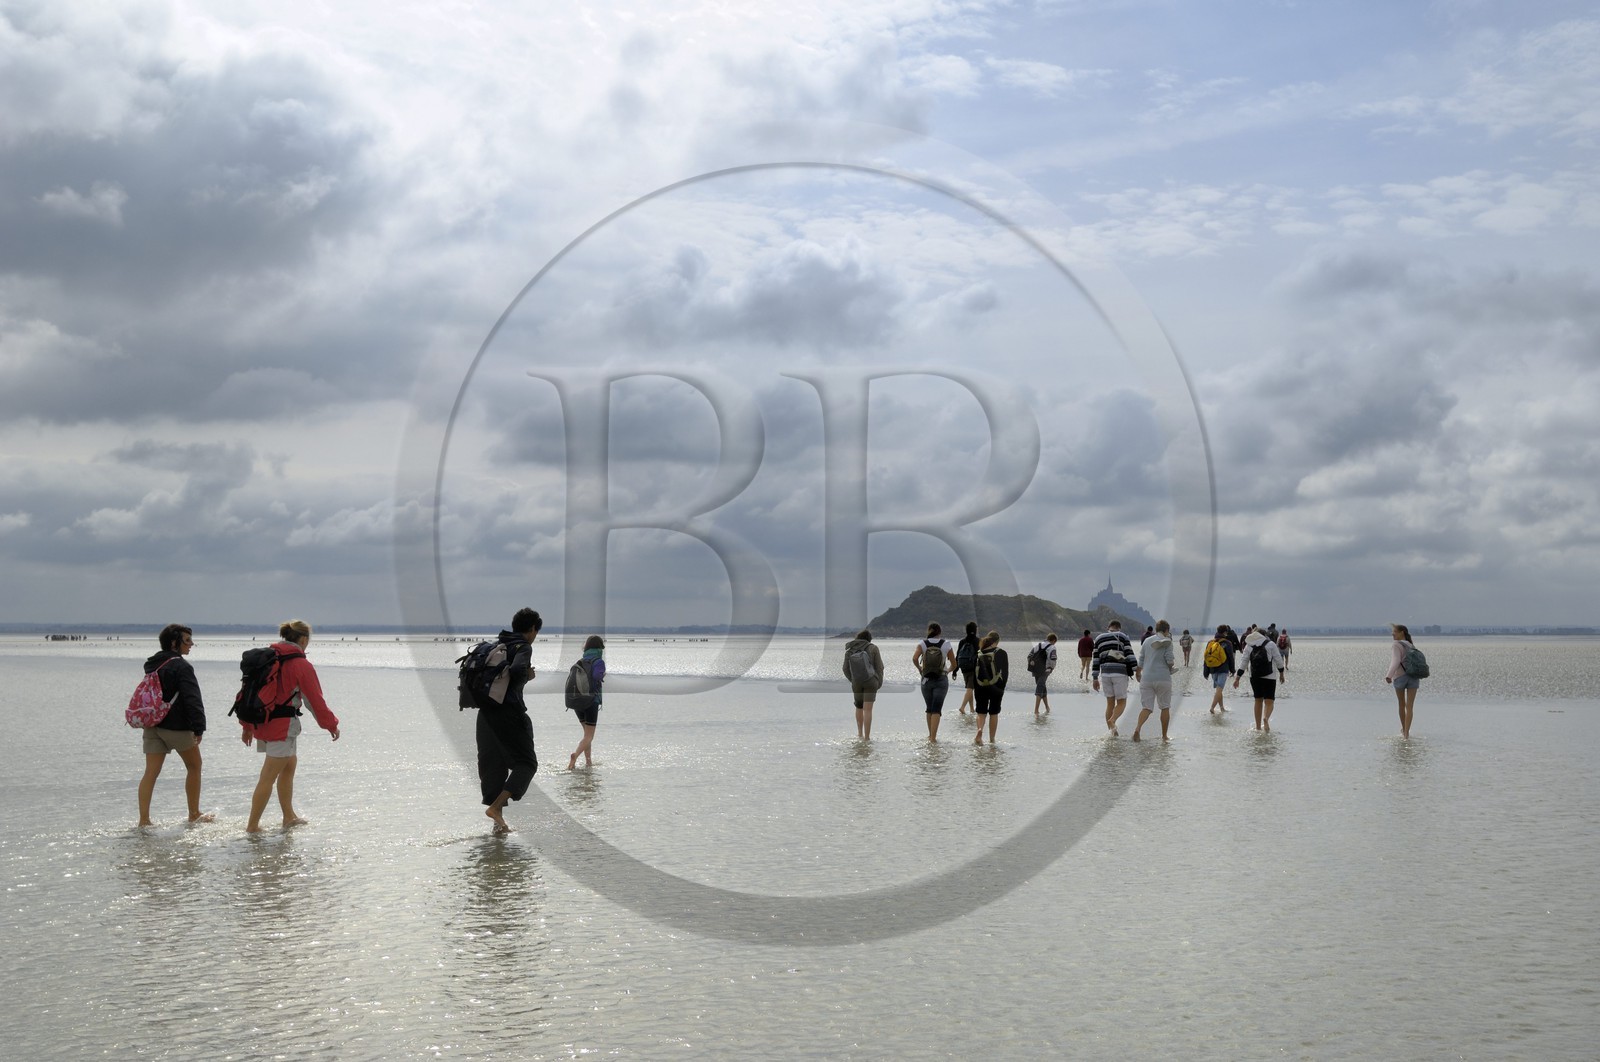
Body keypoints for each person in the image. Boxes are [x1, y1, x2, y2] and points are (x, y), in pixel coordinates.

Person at [240, 619, 341, 833]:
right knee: (268, 777)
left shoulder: (267, 658)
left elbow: (246, 694)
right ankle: (252, 826)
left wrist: (247, 726)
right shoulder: (300, 664)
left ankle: (288, 816)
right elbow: (314, 700)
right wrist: (330, 724)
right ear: (304, 639)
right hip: (282, 727)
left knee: (288, 767)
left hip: (263, 723)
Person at [136, 624, 214, 826]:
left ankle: (144, 819)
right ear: (174, 642)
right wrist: (199, 727)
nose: (191, 644)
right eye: (187, 640)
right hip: (176, 726)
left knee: (150, 772)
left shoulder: (152, 664)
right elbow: (192, 698)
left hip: (152, 724)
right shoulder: (182, 666)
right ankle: (194, 813)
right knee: (194, 766)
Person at [474, 608, 541, 833]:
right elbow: (519, 669)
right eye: (535, 631)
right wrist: (527, 676)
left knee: (495, 767)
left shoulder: (496, 647)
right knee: (527, 763)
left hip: (485, 714)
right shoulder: (523, 646)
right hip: (508, 714)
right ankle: (495, 808)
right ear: (532, 629)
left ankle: (498, 827)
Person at [1234, 622, 1287, 731]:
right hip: (1270, 676)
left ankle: (1258, 727)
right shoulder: (1271, 644)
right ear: (1264, 635)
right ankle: (1266, 718)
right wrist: (1281, 673)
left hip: (1254, 676)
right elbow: (1278, 660)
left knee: (1258, 700)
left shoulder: (1249, 646)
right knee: (1269, 701)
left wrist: (1237, 678)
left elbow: (1243, 663)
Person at [911, 622, 958, 741]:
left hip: (926, 680)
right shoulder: (946, 644)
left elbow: (915, 658)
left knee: (929, 708)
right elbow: (954, 664)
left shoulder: (922, 644)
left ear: (929, 631)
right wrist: (947, 671)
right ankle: (933, 737)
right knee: (937, 709)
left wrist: (920, 669)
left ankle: (930, 735)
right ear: (939, 632)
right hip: (941, 680)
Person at [1132, 620, 1177, 742]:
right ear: (1166, 630)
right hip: (1163, 678)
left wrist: (1138, 672)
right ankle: (1164, 736)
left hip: (1147, 678)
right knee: (1165, 707)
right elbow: (1170, 661)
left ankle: (1137, 729)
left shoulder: (1146, 641)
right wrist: (1171, 668)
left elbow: (1141, 659)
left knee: (1146, 708)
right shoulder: (1168, 642)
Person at [566, 635, 606, 770]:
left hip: (577, 702)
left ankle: (588, 762)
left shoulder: (581, 660)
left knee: (586, 735)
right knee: (589, 736)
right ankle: (575, 755)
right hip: (591, 701)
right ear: (600, 647)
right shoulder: (598, 661)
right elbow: (597, 676)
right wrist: (602, 675)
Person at [1092, 621, 1138, 736]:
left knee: (1110, 704)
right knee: (1122, 702)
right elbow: (1129, 654)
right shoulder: (1122, 636)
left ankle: (1112, 732)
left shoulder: (1098, 638)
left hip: (1105, 674)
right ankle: (1112, 721)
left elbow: (1096, 659)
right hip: (1119, 673)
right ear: (1119, 628)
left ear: (1108, 628)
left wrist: (1094, 677)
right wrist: (1136, 670)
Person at [842, 629, 885, 740]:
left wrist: (853, 679)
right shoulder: (873, 648)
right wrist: (878, 681)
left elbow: (845, 668)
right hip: (871, 681)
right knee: (868, 710)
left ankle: (860, 733)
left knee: (859, 707)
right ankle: (867, 737)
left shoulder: (849, 650)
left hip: (856, 682)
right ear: (869, 639)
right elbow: (879, 667)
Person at [972, 630, 1008, 745]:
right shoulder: (1001, 653)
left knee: (981, 712)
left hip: (980, 686)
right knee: (993, 713)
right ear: (997, 641)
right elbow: (1005, 673)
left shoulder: (979, 652)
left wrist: (975, 687)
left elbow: (975, 672)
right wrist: (1002, 688)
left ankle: (980, 731)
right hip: (996, 686)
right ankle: (992, 740)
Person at [1385, 623, 1421, 738]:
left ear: (1402, 632)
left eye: (1394, 631)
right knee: (1410, 707)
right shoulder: (1411, 645)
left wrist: (1389, 675)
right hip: (1414, 677)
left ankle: (1404, 732)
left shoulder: (1396, 645)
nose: (1392, 634)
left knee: (1401, 704)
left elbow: (1395, 660)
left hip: (1400, 677)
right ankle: (1406, 732)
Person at [1202, 625, 1235, 714]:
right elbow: (1231, 658)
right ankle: (1212, 707)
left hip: (1212, 668)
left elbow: (1206, 658)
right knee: (1220, 689)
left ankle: (1222, 708)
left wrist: (1206, 672)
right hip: (1223, 669)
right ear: (1225, 632)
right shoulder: (1227, 643)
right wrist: (1233, 670)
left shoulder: (1210, 642)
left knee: (1218, 689)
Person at [1029, 632, 1058, 715]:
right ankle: (1036, 711)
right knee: (1040, 687)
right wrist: (1051, 669)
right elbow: (1052, 659)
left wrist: (1032, 665)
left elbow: (1030, 655)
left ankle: (1047, 708)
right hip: (1045, 670)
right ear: (1054, 640)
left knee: (1041, 686)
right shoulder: (1052, 647)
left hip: (1035, 669)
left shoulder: (1038, 645)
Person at [955, 621, 980, 714]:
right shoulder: (978, 641)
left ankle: (972, 709)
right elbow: (981, 656)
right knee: (970, 688)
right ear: (975, 630)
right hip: (974, 668)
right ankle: (962, 707)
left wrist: (955, 670)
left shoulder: (962, 641)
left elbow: (957, 656)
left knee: (970, 688)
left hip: (964, 668)